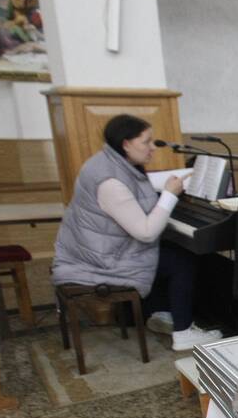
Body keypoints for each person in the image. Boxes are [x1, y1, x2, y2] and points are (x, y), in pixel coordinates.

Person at [51, 114, 222, 351]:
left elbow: (139, 184)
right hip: (102, 262)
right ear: (126, 144)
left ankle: (162, 312)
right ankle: (183, 332)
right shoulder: (110, 183)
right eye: (146, 142)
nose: (153, 147)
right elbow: (146, 233)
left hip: (96, 251)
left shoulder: (105, 162)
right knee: (182, 260)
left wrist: (180, 178)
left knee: (169, 248)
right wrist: (169, 195)